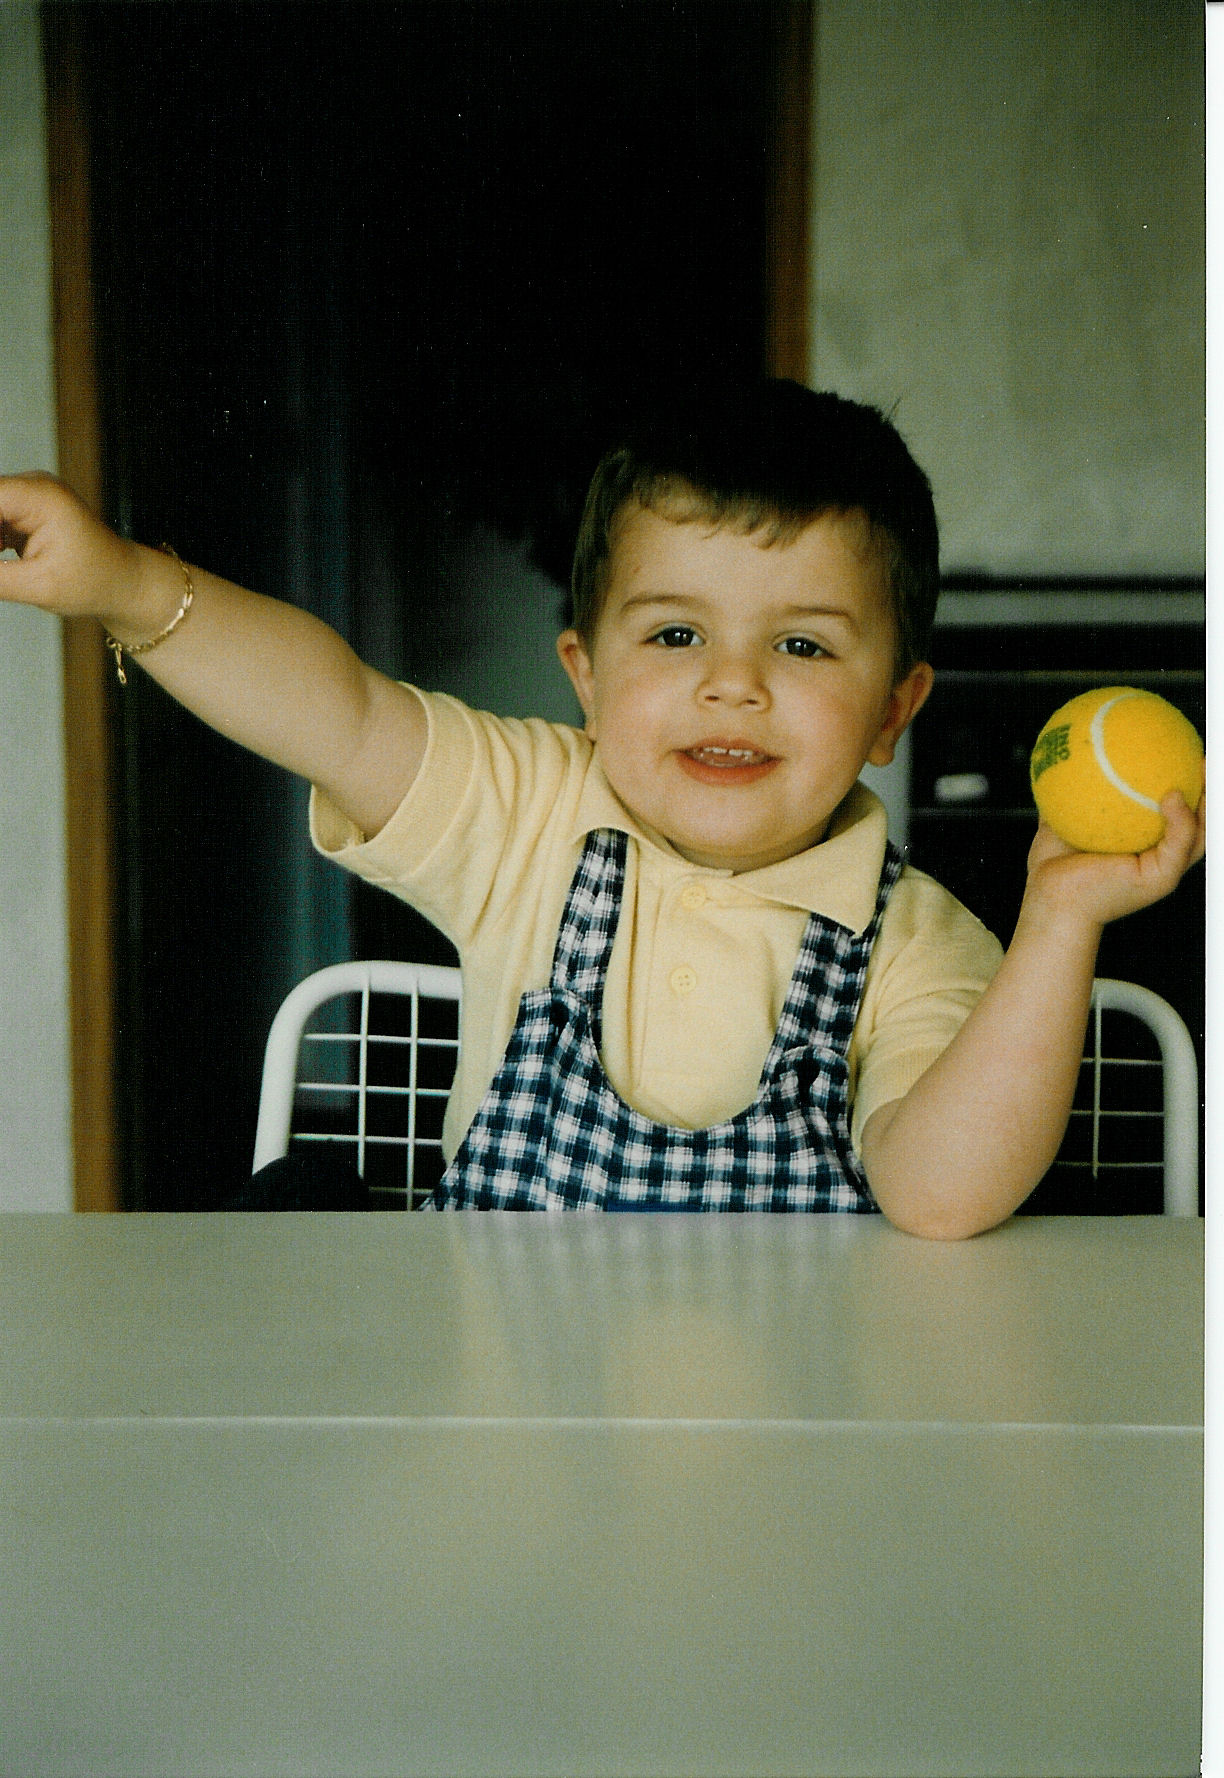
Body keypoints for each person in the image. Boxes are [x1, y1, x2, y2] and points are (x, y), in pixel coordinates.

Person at [0, 381, 1203, 1234]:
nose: (733, 682)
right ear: (584, 673)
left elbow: (938, 1196)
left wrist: (1059, 923)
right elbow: (340, 713)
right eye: (676, 634)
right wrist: (123, 584)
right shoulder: (530, 814)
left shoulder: (920, 939)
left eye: (801, 643)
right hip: (506, 1445)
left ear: (894, 709)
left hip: (799, 1462)